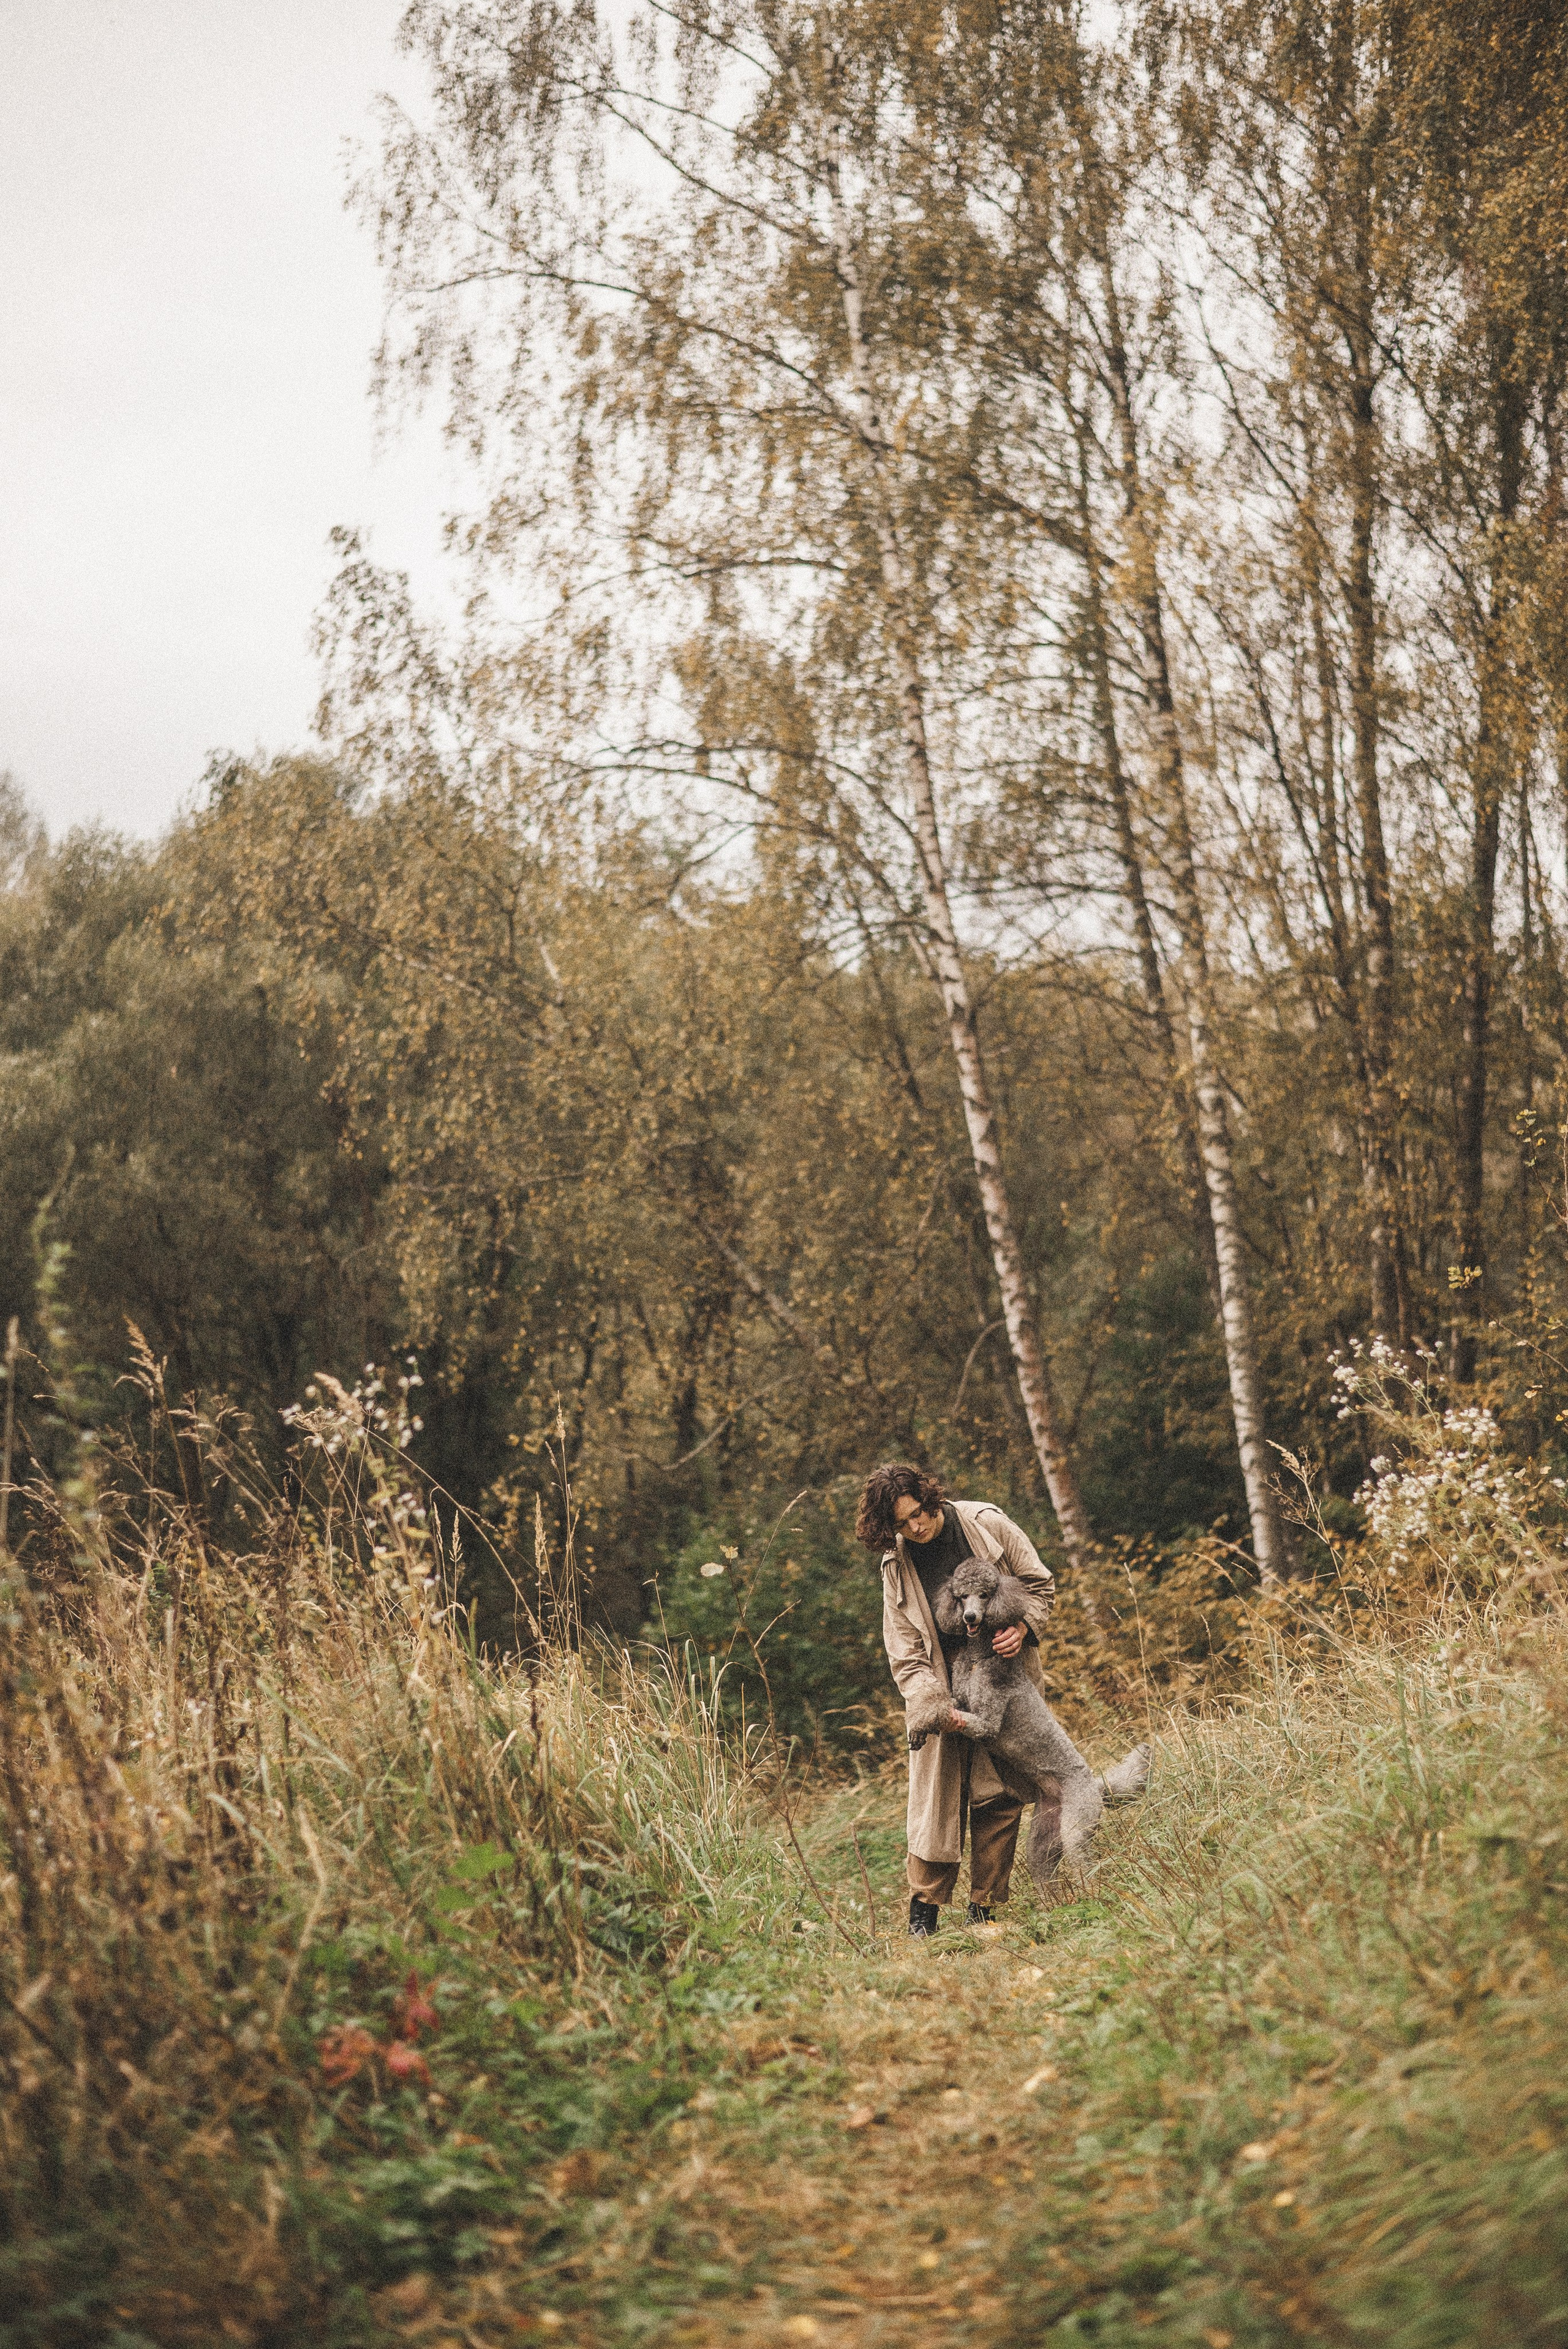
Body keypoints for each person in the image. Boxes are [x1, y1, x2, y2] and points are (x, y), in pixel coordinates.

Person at [856, 1460, 1057, 1937]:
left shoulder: (986, 1524)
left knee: (1000, 1793)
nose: (917, 1526)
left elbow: (1040, 1585)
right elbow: (902, 1647)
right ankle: (923, 1913)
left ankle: (984, 1909)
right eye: (902, 1523)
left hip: (1002, 1679)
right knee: (934, 1802)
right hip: (940, 1688)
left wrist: (1024, 1627)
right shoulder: (896, 1564)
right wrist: (930, 1702)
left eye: (920, 1513)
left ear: (930, 1498)